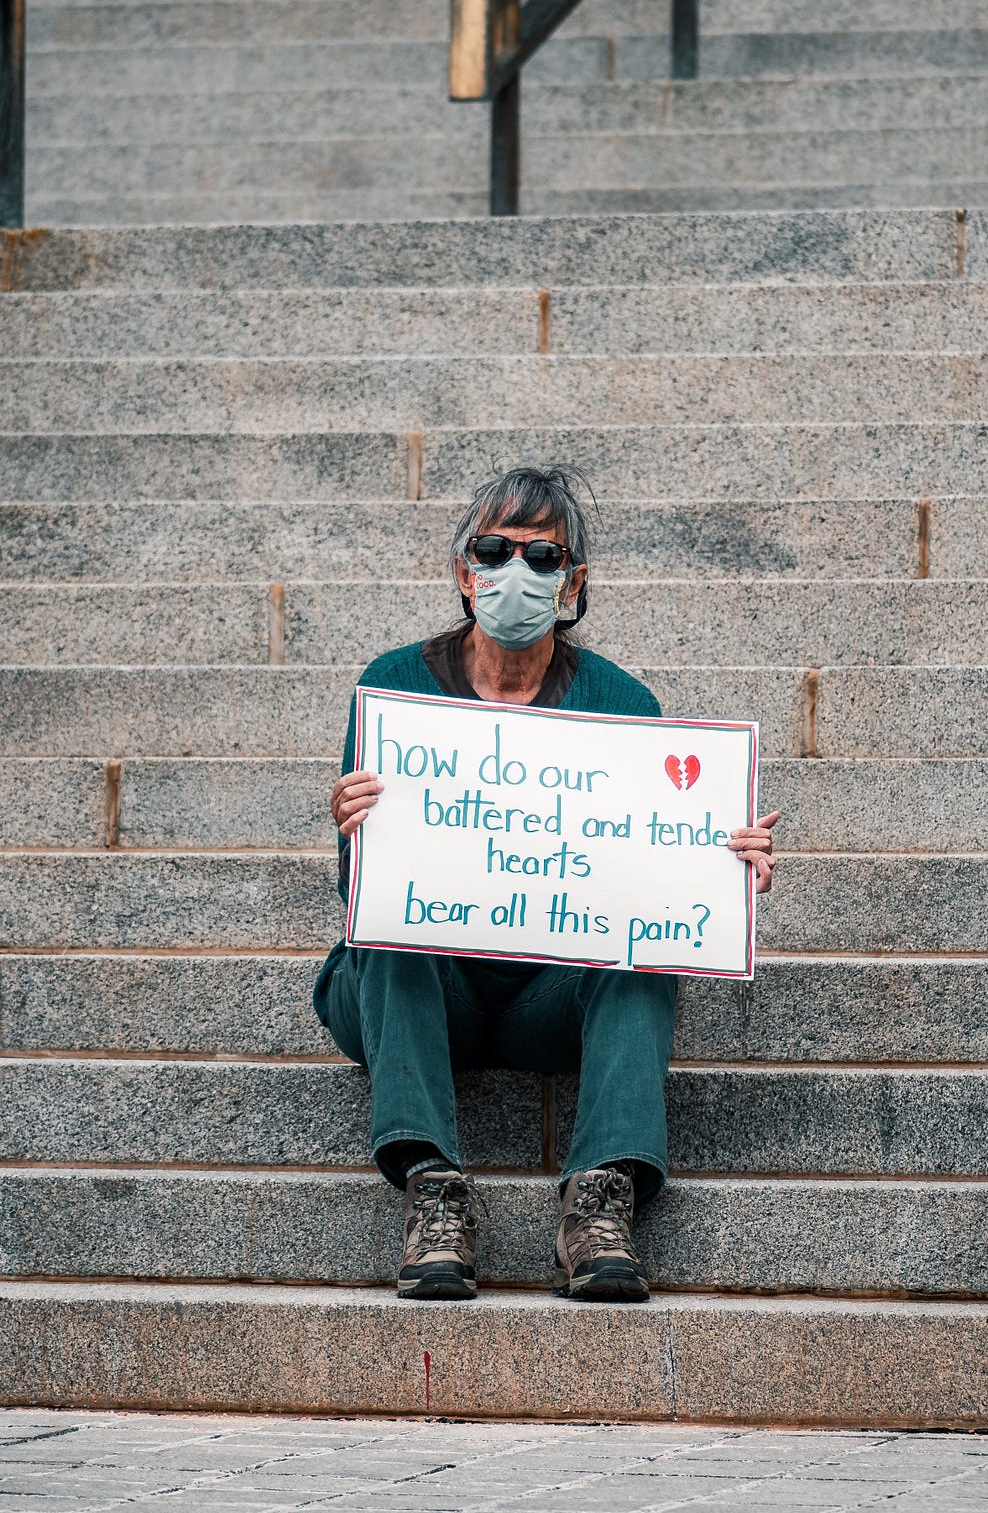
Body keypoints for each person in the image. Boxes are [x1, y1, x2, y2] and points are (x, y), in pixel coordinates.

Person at [313, 465, 778, 1304]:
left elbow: (654, 863)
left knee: (644, 948)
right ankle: (432, 1190)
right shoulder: (394, 689)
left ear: (572, 581)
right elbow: (366, 885)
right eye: (494, 550)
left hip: (547, 996)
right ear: (466, 573)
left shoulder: (621, 703)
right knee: (384, 930)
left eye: (541, 554)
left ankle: (600, 1201)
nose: (514, 571)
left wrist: (718, 866)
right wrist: (356, 822)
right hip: (419, 987)